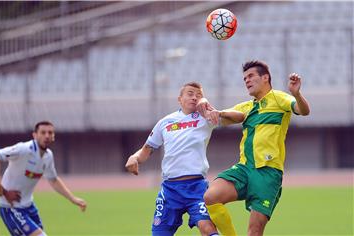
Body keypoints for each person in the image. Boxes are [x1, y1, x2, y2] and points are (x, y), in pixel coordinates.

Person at [197, 60, 310, 236]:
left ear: (265, 78)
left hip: (268, 173)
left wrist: (297, 94)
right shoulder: (247, 107)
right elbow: (219, 118)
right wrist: (208, 107)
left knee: (254, 231)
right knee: (210, 196)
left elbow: (303, 110)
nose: (247, 81)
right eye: (244, 78)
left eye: (251, 76)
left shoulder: (280, 99)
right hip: (244, 168)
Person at [125, 82, 230, 236]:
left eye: (198, 95)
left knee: (207, 228)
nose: (194, 97)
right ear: (179, 99)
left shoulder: (206, 117)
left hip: (197, 188)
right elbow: (147, 149)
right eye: (190, 93)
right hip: (170, 190)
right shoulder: (165, 122)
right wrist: (134, 158)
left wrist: (218, 113)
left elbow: (238, 117)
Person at [0, 121, 87, 236]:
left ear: (53, 136)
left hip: (29, 206)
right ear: (35, 135)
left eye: (50, 133)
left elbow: (53, 180)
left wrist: (73, 199)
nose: (47, 136)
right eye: (43, 132)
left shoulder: (48, 156)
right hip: (11, 207)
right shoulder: (24, 149)